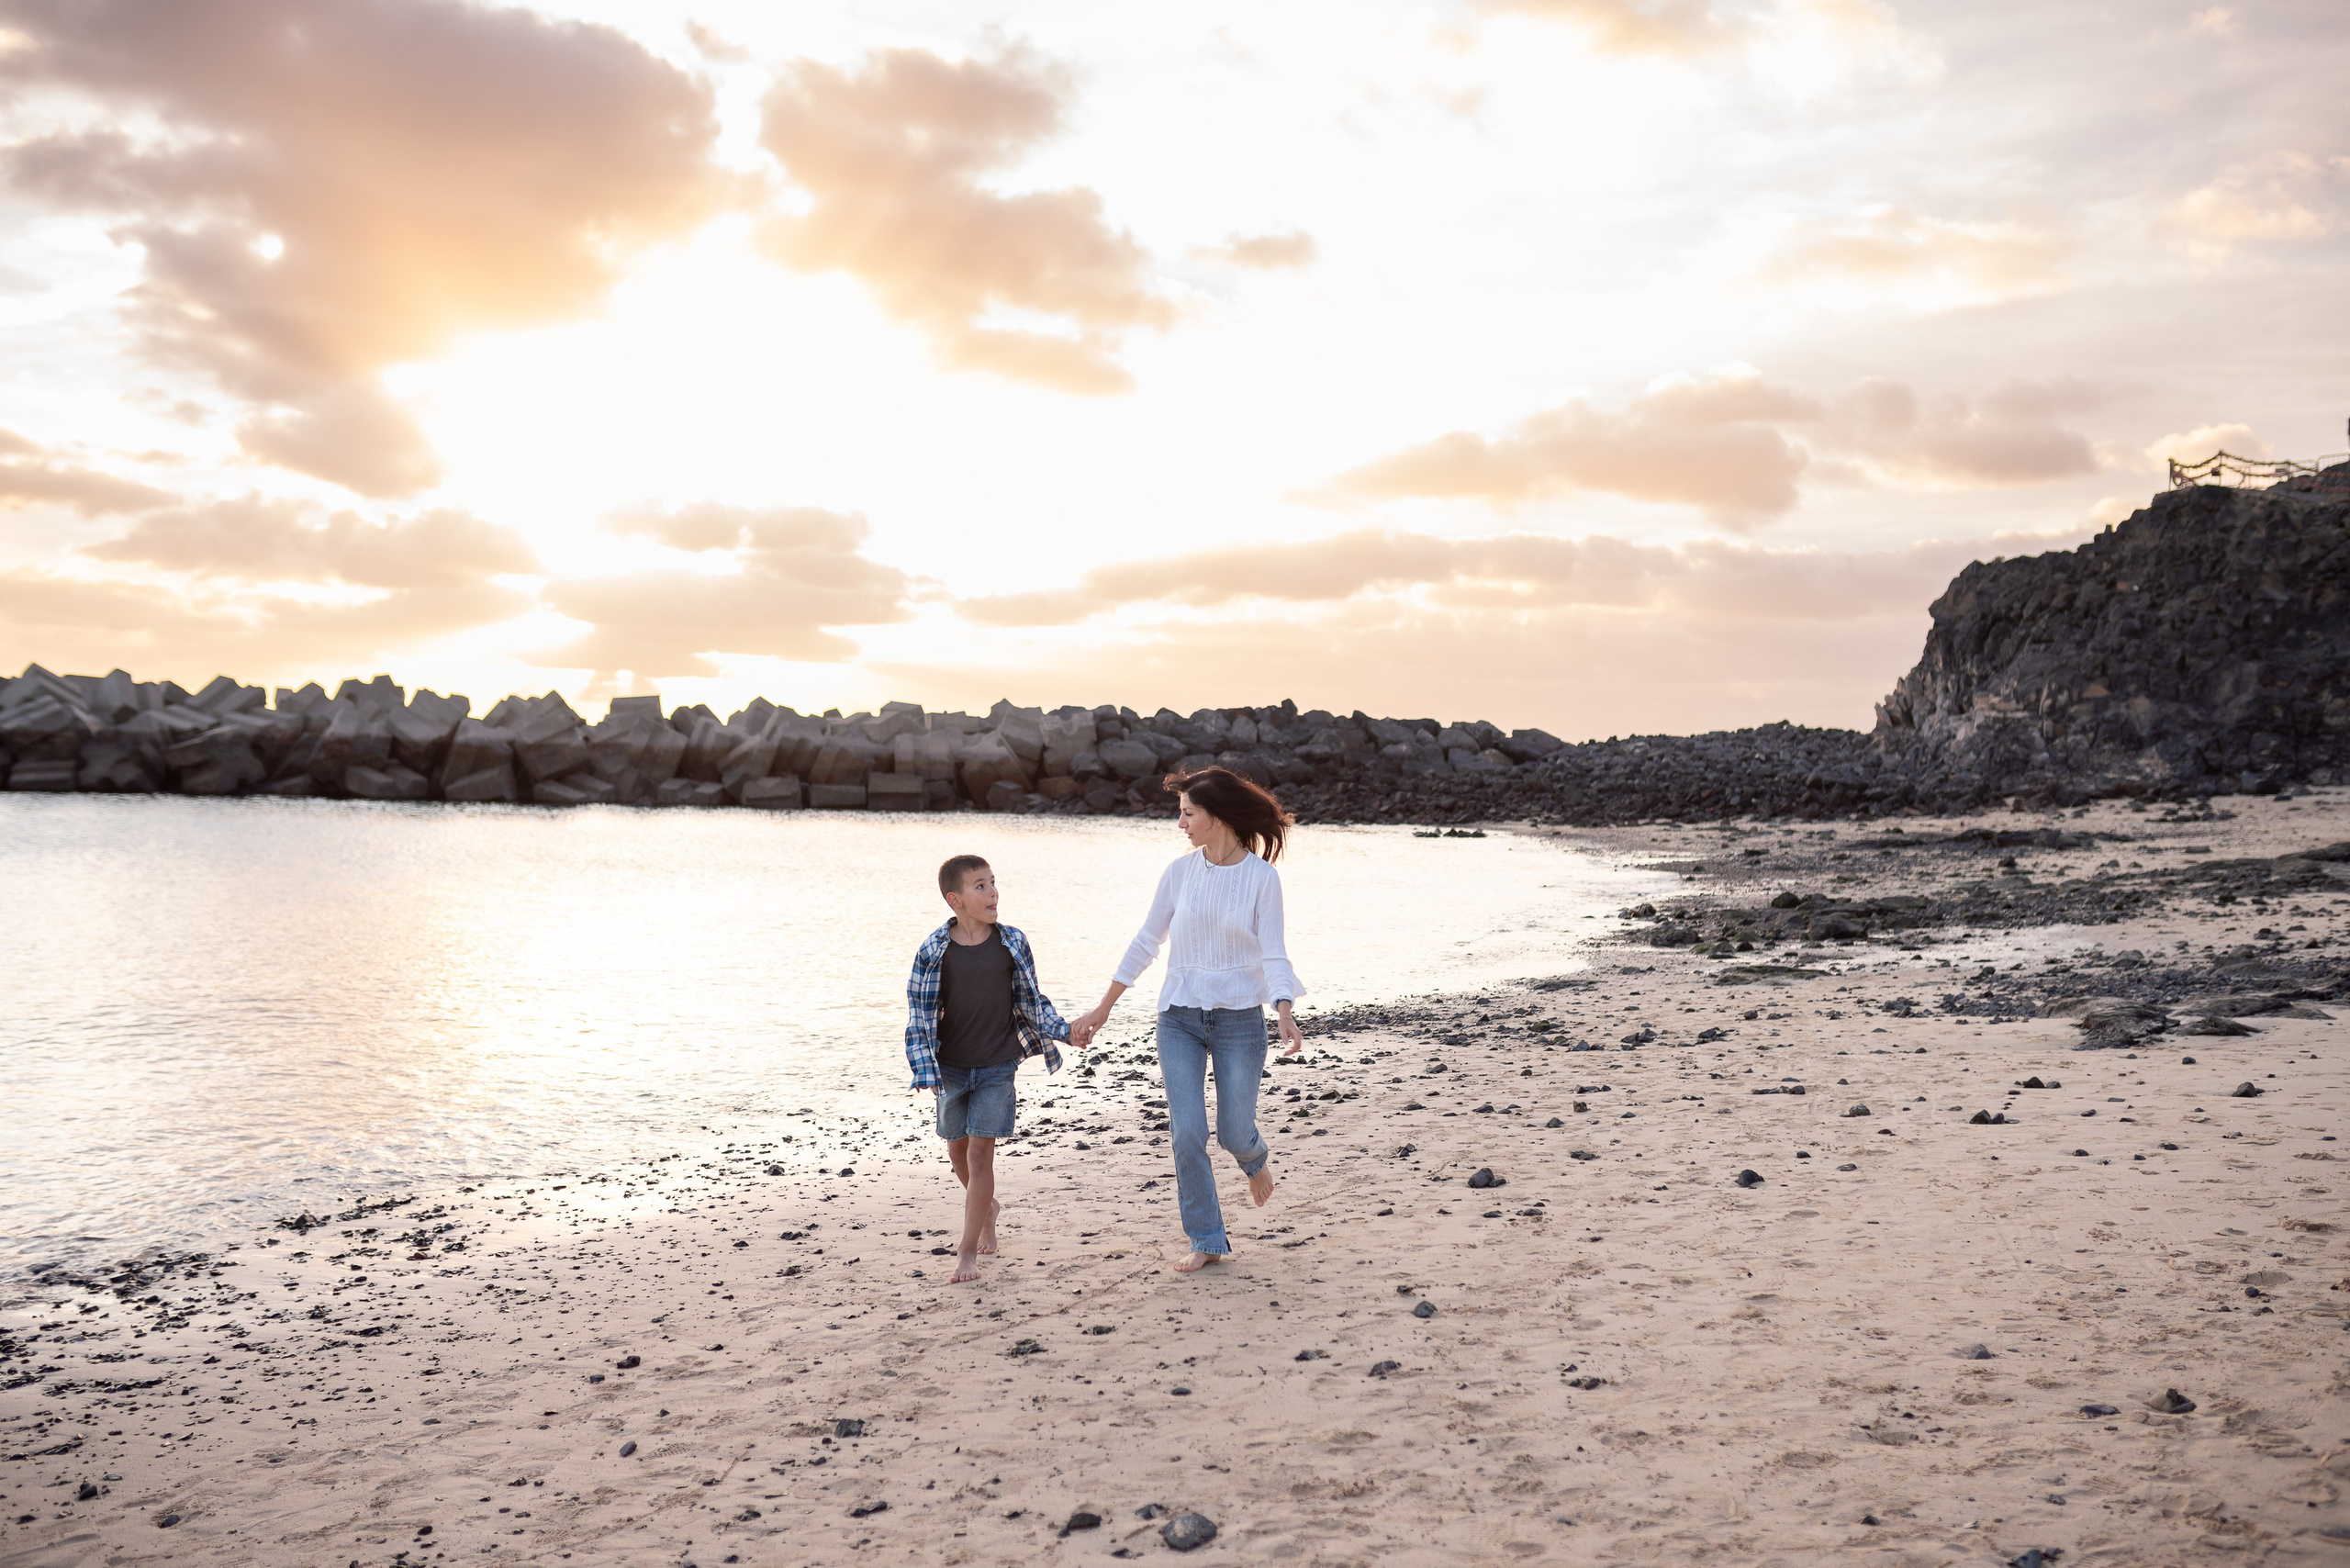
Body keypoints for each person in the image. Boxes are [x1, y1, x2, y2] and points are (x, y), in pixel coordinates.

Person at [1069, 767, 1304, 1273]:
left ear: (1217, 817)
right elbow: (1146, 942)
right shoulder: (1178, 873)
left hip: (1240, 1021)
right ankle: (1206, 1238)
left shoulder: (1263, 879)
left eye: (1188, 814)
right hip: (1179, 1017)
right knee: (1186, 1133)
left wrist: (1283, 1009)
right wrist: (1103, 1007)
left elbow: (1275, 952)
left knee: (1234, 1132)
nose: (1181, 824)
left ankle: (1254, 1158)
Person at [903, 854, 1069, 1284]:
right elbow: (919, 1015)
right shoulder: (933, 950)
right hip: (952, 1068)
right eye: (980, 886)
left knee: (980, 1154)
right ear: (954, 899)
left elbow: (1033, 1002)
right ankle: (988, 1206)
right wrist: (923, 1067)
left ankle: (966, 1251)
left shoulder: (1012, 942)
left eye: (993, 883)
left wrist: (1067, 1031)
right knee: (956, 1150)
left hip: (998, 1064)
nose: (993, 892)